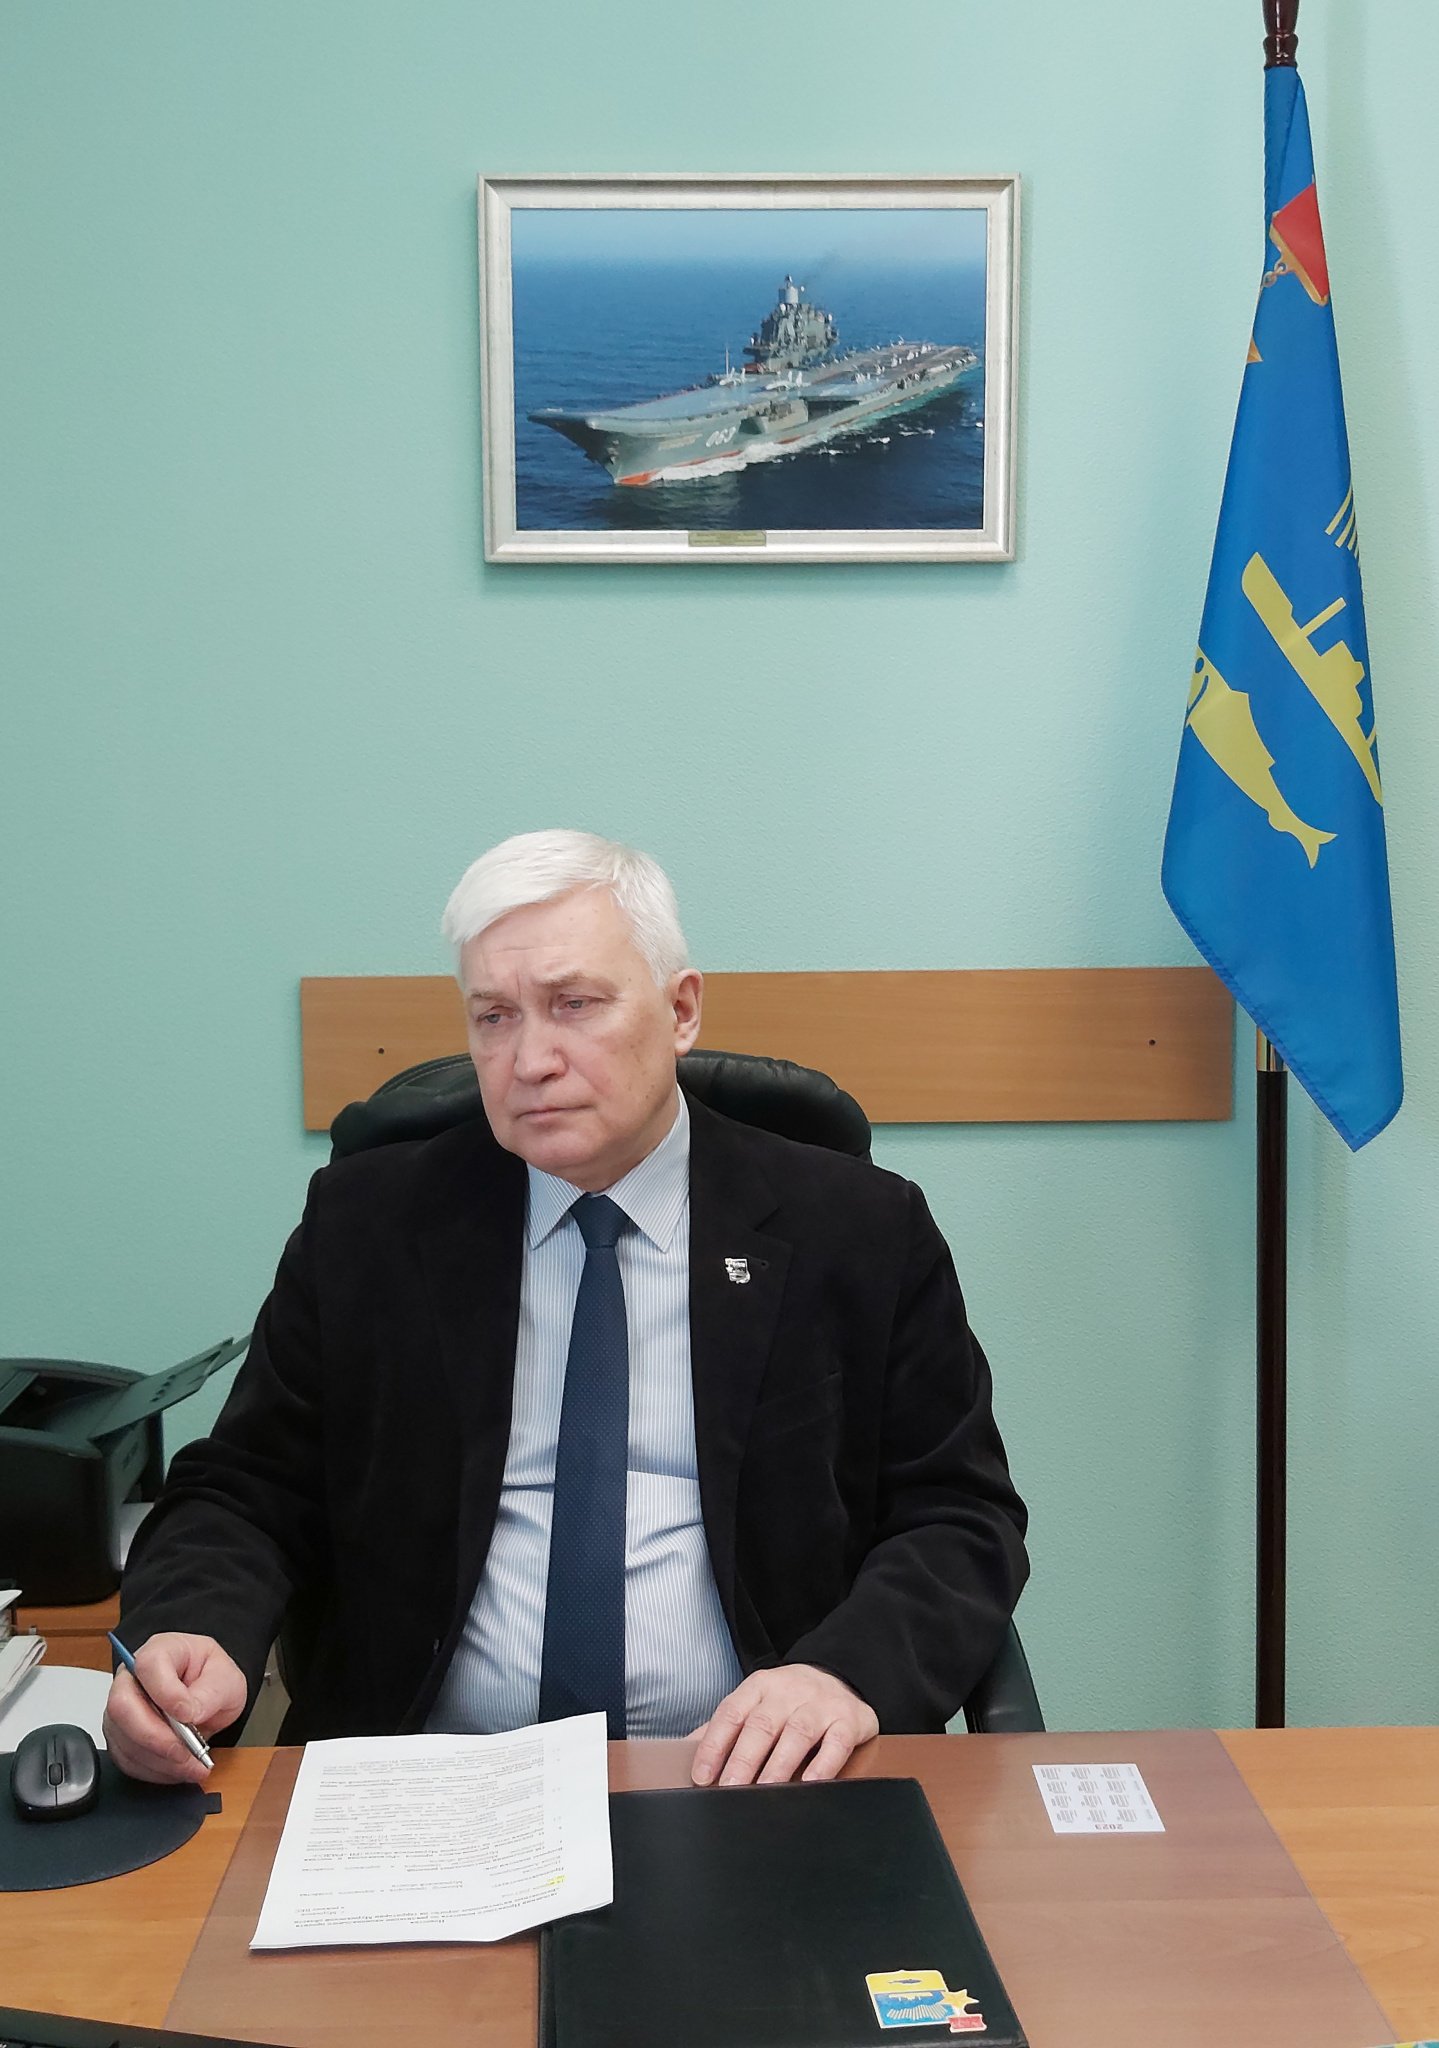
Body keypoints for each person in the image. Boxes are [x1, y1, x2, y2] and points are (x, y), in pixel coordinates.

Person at [107, 830, 1028, 1788]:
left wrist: (845, 1674)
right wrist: (193, 1627)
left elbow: (957, 1513)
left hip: (756, 1780)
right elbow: (247, 1488)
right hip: (427, 1780)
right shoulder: (369, 1227)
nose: (529, 1060)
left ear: (680, 1010)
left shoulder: (859, 1229)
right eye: (494, 1017)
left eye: (573, 1005)